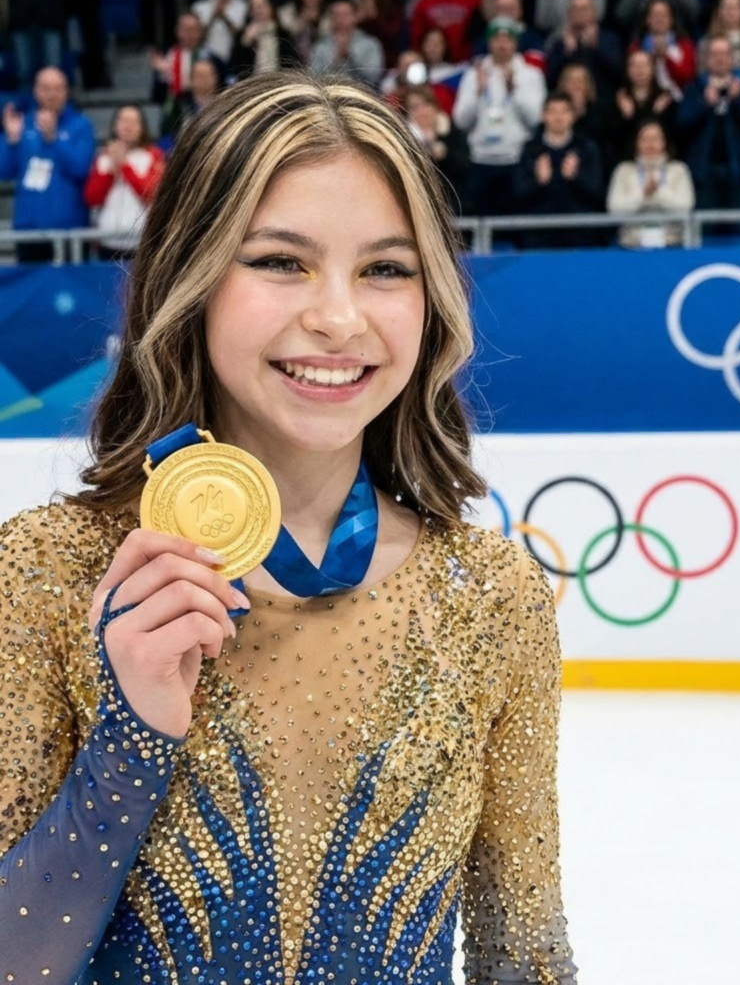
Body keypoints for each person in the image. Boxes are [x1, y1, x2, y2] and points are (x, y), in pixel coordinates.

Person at [0, 70, 579, 985]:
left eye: (386, 269)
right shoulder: (49, 570)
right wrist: (130, 741)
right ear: (189, 276)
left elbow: (527, 957)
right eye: (280, 261)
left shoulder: (492, 596)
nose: (339, 318)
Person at [0, 66, 94, 263]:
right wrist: (11, 140)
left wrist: (54, 138)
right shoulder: (22, 124)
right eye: (46, 88)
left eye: (58, 88)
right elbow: (4, 171)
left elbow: (80, 169)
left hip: (70, 230)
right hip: (29, 228)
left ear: (67, 92)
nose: (52, 94)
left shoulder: (81, 126)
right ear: (35, 91)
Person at [452, 15, 546, 214]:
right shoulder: (474, 74)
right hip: (481, 160)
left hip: (517, 160)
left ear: (515, 42)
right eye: (497, 38)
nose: (502, 44)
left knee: (515, 226)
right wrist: (478, 92)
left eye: (507, 39)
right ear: (489, 41)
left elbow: (536, 119)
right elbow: (461, 120)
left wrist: (515, 93)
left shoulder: (531, 75)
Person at [678, 34, 740, 210]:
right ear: (707, 59)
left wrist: (737, 102)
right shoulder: (694, 88)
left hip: (738, 170)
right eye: (715, 54)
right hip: (703, 170)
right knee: (706, 230)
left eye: (725, 54)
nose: (720, 59)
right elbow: (682, 126)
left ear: (732, 58)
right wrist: (705, 105)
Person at [513, 90, 605, 247]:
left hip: (579, 236)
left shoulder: (586, 148)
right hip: (538, 237)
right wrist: (539, 182)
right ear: (543, 116)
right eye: (553, 111)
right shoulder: (530, 150)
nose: (558, 117)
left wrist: (576, 178)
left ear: (573, 116)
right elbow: (517, 194)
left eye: (564, 111)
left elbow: (598, 193)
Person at [84, 105, 164, 260]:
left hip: (140, 242)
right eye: (124, 121)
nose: (128, 126)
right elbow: (92, 198)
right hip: (107, 241)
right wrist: (110, 172)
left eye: (134, 122)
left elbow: (151, 194)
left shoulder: (152, 156)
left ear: (142, 127)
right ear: (115, 125)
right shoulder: (103, 157)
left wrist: (124, 167)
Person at [607, 118, 694, 247]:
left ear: (664, 142)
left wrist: (658, 192)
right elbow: (614, 209)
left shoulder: (678, 170)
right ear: (636, 143)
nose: (650, 144)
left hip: (672, 244)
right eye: (645, 139)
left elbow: (686, 207)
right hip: (631, 245)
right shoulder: (623, 170)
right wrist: (643, 194)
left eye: (655, 139)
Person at [545, 0, 624, 103]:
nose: (580, 13)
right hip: (567, 103)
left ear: (594, 12)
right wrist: (567, 52)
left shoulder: (609, 39)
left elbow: (618, 75)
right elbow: (550, 79)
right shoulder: (559, 42)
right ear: (569, 14)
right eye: (575, 9)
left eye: (584, 9)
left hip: (603, 100)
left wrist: (595, 47)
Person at [0, 0, 67, 92]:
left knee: (53, 69)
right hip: (22, 18)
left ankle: (54, 108)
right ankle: (27, 109)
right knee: (24, 71)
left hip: (49, 17)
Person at [406, 83, 469, 207]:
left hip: (456, 203)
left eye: (425, 105)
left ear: (435, 107)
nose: (421, 112)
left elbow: (464, 168)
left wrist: (444, 154)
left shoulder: (452, 132)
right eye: (414, 108)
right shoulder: (406, 141)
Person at [410, 0, 482, 63]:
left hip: (465, 63)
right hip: (434, 64)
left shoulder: (473, 0)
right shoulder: (423, 2)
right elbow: (416, 37)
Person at [627, 0, 696, 99]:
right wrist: (651, 59)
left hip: (678, 99)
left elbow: (687, 77)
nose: (659, 20)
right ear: (647, 19)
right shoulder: (636, 47)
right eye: (655, 15)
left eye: (664, 15)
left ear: (671, 19)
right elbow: (631, 77)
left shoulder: (685, 45)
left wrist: (666, 57)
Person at [612, 48, 675, 159]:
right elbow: (614, 137)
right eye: (634, 66)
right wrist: (626, 117)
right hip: (626, 160)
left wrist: (658, 114)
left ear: (652, 69)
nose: (639, 70)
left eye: (644, 65)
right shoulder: (619, 98)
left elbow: (673, 134)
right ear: (627, 70)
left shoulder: (665, 98)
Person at [310, 0, 385, 86]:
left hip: (361, 94)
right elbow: (313, 78)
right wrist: (336, 60)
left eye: (345, 15)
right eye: (336, 15)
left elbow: (373, 78)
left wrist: (349, 56)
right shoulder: (321, 46)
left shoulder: (370, 44)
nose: (340, 20)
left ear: (354, 17)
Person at [230, 0, 300, 77]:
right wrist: (246, 44)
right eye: (253, 7)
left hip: (279, 81)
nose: (258, 10)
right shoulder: (242, 36)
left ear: (271, 7)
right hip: (252, 83)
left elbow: (293, 64)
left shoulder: (283, 34)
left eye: (262, 5)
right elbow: (235, 68)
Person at [193, 0, 251, 65]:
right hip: (207, 63)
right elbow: (196, 40)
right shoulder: (199, 7)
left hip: (237, 62)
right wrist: (213, 17)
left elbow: (243, 37)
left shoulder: (245, 6)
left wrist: (225, 17)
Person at [150, 13, 211, 108]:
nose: (189, 34)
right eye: (185, 29)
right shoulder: (168, 56)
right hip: (175, 108)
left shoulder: (211, 58)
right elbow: (157, 96)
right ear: (177, 31)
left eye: (193, 30)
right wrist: (162, 75)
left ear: (200, 32)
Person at [352, 0, 405, 69]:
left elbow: (392, 34)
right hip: (362, 61)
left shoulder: (392, 8)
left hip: (388, 61)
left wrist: (372, 15)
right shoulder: (353, 9)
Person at [161, 56, 222, 141]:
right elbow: (168, 132)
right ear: (191, 79)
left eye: (208, 75)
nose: (205, 80)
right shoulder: (179, 105)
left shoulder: (223, 103)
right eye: (200, 76)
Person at [278, 0, 331, 65]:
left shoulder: (328, 15)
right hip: (290, 60)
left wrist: (316, 22)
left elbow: (327, 36)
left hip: (319, 63)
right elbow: (286, 30)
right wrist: (303, 20)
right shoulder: (287, 11)